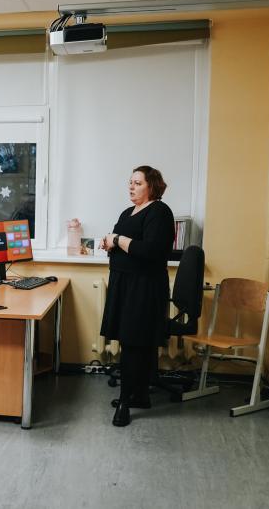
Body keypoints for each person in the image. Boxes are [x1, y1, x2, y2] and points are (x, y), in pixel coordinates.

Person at [100, 165, 175, 427]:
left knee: (134, 343)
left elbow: (151, 251)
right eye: (130, 182)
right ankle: (140, 395)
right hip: (124, 283)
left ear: (152, 186)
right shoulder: (127, 212)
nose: (131, 187)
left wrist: (117, 239)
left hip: (144, 287)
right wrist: (109, 242)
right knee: (133, 341)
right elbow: (121, 244)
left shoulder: (159, 212)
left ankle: (124, 402)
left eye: (138, 183)